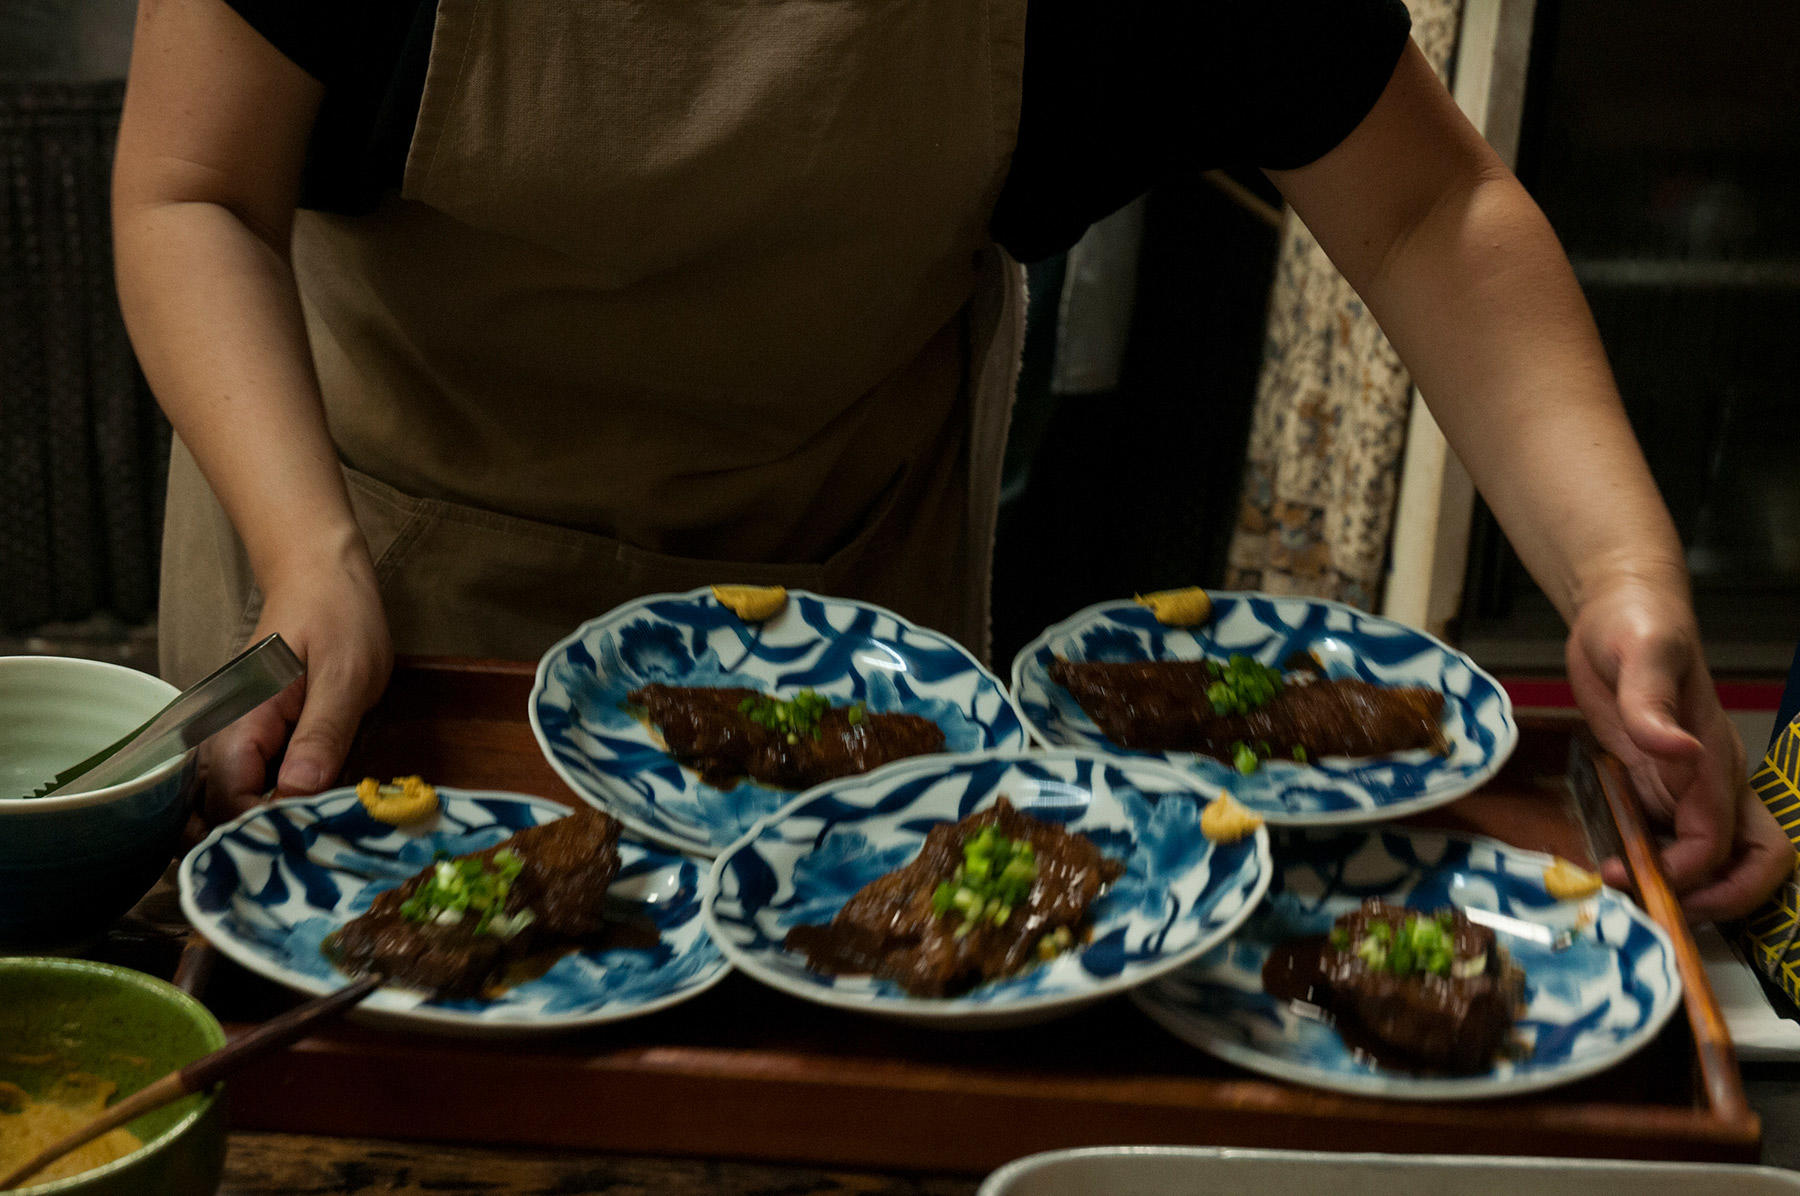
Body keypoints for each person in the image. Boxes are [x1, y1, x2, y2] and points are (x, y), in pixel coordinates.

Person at [112, 0, 1791, 921]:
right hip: (368, 610)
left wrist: (1625, 573)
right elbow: (192, 185)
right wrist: (303, 544)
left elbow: (1430, 206)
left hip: (847, 680)